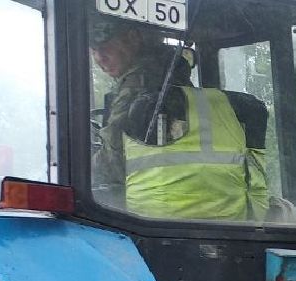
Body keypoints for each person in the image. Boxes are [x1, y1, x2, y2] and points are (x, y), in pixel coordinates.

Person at [89, 15, 267, 220]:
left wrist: (87, 168)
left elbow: (114, 164)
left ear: (132, 38)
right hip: (227, 217)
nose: (99, 57)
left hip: (151, 221)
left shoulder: (137, 89)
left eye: (104, 46)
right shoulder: (177, 81)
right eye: (93, 50)